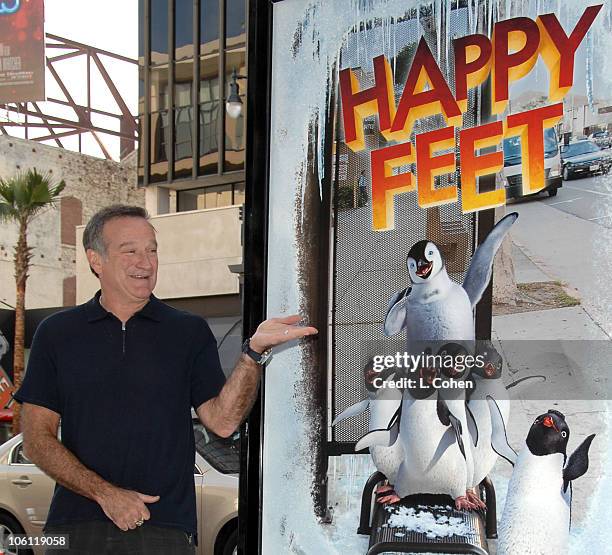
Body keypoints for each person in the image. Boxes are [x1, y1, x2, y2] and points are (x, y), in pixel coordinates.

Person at [13, 205, 317, 554]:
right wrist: (106, 494)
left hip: (165, 529)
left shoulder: (187, 331)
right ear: (96, 260)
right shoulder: (57, 334)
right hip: (75, 528)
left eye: (152, 250)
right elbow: (36, 439)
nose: (146, 263)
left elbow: (222, 421)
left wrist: (253, 354)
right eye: (130, 251)